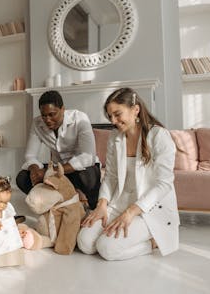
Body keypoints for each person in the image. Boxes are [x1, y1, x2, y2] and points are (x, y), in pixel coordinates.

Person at [77, 87, 179, 261]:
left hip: (148, 208)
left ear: (135, 110)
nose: (113, 121)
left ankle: (152, 243)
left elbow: (163, 184)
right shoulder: (115, 137)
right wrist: (102, 205)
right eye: (110, 116)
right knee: (85, 243)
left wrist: (131, 212)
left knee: (107, 249)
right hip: (120, 201)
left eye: (118, 114)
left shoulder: (159, 136)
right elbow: (111, 176)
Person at [16, 90, 101, 209]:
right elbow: (30, 155)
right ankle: (56, 204)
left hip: (78, 170)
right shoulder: (37, 123)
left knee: (88, 175)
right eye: (44, 115)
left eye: (52, 114)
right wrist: (35, 171)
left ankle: (92, 207)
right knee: (22, 177)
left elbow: (87, 157)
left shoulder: (80, 118)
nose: (47, 120)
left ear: (63, 109)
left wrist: (49, 172)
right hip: (57, 171)